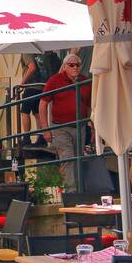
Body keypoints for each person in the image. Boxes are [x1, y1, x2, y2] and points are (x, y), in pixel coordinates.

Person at [39, 53, 92, 191]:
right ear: (65, 66)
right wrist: (45, 129)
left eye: (77, 65)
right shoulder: (55, 80)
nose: (75, 67)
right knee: (67, 158)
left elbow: (90, 106)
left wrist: (93, 127)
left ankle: (79, 190)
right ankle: (71, 192)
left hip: (80, 126)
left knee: (78, 159)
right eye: (71, 65)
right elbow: (43, 104)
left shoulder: (85, 81)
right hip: (60, 127)